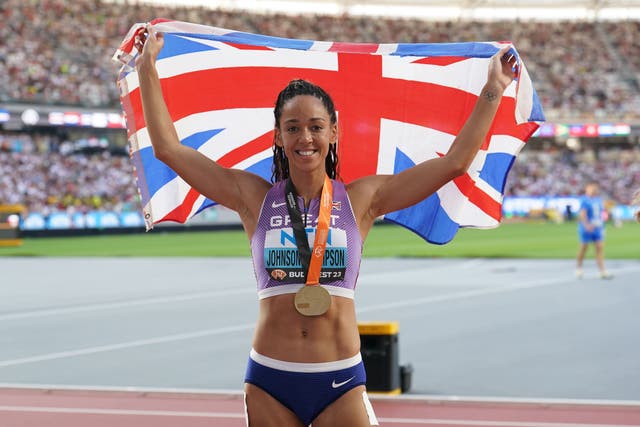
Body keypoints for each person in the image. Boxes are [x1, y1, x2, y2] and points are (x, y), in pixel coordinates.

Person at [134, 24, 518, 427]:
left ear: (333, 132)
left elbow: (453, 163)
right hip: (269, 378)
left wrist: (493, 89)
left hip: (340, 380)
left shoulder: (361, 200)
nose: (305, 137)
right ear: (278, 136)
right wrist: (148, 70)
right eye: (293, 127)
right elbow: (168, 149)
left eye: (316, 126)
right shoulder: (253, 198)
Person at [575, 182, 612, 280]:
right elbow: (583, 213)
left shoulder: (598, 200)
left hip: (597, 227)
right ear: (587, 189)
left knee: (599, 248)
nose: (593, 190)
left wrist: (604, 221)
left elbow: (602, 213)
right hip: (587, 228)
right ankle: (579, 268)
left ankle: (602, 271)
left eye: (595, 188)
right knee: (584, 247)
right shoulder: (584, 200)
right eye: (591, 188)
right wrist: (586, 225)